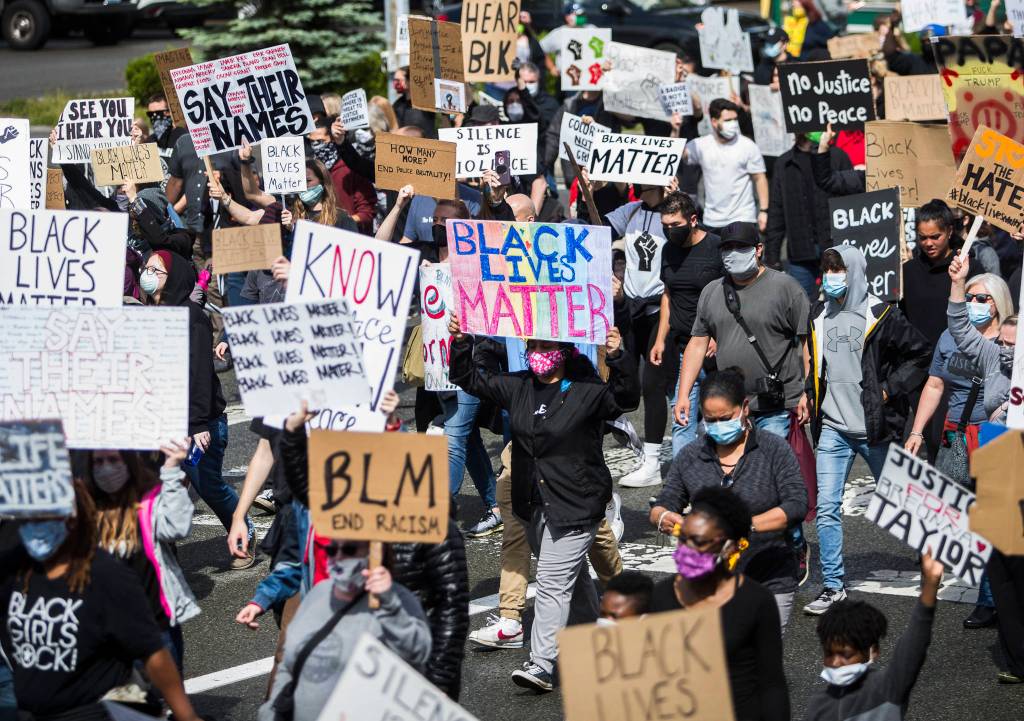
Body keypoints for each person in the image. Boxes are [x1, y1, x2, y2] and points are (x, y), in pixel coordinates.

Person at [448, 314, 640, 692]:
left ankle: (541, 663)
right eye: (531, 346)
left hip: (575, 505)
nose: (536, 353)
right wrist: (462, 341)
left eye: (545, 347)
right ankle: (593, 638)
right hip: (533, 505)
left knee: (552, 582)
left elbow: (626, 397)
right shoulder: (519, 386)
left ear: (564, 352)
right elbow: (471, 378)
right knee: (574, 577)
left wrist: (617, 356)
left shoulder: (586, 390)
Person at [0, 482, 202, 721]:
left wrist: (186, 715)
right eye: (30, 520)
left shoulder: (106, 575)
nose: (36, 528)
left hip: (96, 712)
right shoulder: (19, 573)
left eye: (46, 519)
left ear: (73, 520)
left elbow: (152, 652)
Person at [803, 246, 931, 615]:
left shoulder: (882, 314)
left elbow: (919, 354)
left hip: (874, 429)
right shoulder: (820, 311)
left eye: (838, 270)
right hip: (832, 428)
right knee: (826, 508)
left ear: (855, 272)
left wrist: (889, 389)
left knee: (904, 501)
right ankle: (832, 586)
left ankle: (931, 561)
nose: (831, 278)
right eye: (827, 270)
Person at [653, 369, 807, 629]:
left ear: (744, 408)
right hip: (708, 581)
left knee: (760, 660)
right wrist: (666, 518)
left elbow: (796, 505)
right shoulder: (691, 455)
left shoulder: (773, 450)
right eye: (710, 420)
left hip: (769, 575)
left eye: (724, 418)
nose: (717, 426)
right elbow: (665, 502)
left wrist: (743, 527)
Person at [141, 250, 255, 568]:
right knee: (156, 488)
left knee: (209, 487)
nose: (146, 274)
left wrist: (197, 425)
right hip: (160, 420)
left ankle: (242, 534)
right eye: (145, 268)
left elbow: (200, 375)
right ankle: (164, 555)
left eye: (155, 270)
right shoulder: (145, 316)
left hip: (196, 421)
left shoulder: (193, 317)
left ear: (174, 277)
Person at [648, 487, 790, 721]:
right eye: (683, 539)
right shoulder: (662, 596)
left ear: (731, 548)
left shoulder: (756, 601)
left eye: (699, 542)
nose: (687, 549)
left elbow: (771, 683)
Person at [258, 536, 432, 721]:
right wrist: (271, 710)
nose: (338, 557)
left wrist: (390, 605)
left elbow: (418, 653)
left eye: (349, 550)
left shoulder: (398, 600)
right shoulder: (318, 593)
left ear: (373, 553)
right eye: (332, 550)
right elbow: (289, 661)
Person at [674, 222, 810, 440]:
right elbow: (697, 344)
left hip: (776, 405)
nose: (733, 253)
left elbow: (808, 343)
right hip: (732, 405)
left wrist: (807, 392)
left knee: (768, 468)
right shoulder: (711, 291)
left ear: (758, 250)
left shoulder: (786, 288)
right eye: (727, 248)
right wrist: (683, 395)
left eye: (740, 247)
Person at [74, 442, 200, 672]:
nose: (106, 468)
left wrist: (171, 469)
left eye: (113, 460)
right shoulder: (85, 509)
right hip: (108, 627)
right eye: (99, 462)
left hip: (155, 623)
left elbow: (178, 528)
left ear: (128, 462)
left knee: (166, 694)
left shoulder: (149, 499)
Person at [804, 553, 944, 720]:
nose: (835, 662)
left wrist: (930, 585)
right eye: (829, 654)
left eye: (846, 655)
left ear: (872, 651)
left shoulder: (887, 688)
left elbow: (915, 643)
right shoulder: (818, 704)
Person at [651, 191, 724, 455]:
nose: (671, 231)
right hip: (683, 348)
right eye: (665, 226)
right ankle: (682, 488)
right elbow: (668, 295)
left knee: (722, 420)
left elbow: (730, 296)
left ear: (693, 220)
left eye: (676, 226)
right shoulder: (668, 251)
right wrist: (660, 338)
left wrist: (718, 336)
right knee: (682, 420)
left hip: (717, 352)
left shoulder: (716, 248)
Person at [765, 132, 853, 299]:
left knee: (839, 303)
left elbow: (852, 202)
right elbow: (776, 211)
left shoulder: (837, 157)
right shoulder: (784, 163)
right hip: (800, 253)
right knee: (802, 309)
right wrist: (772, 257)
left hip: (835, 247)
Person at [681, 99, 768, 235]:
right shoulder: (702, 145)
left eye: (735, 119)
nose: (733, 124)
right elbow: (681, 155)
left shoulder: (747, 146)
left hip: (743, 218)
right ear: (714, 122)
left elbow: (760, 178)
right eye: (727, 120)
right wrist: (675, 129)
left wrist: (763, 211)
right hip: (712, 221)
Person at [947, 255, 1017, 423]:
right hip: (995, 438)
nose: (1004, 349)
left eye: (1012, 345)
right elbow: (959, 328)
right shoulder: (994, 356)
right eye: (1001, 342)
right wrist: (958, 282)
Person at [391, 66, 436, 138]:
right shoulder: (397, 105)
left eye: (398, 80)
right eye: (394, 80)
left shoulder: (427, 102)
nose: (395, 83)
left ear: (409, 80)